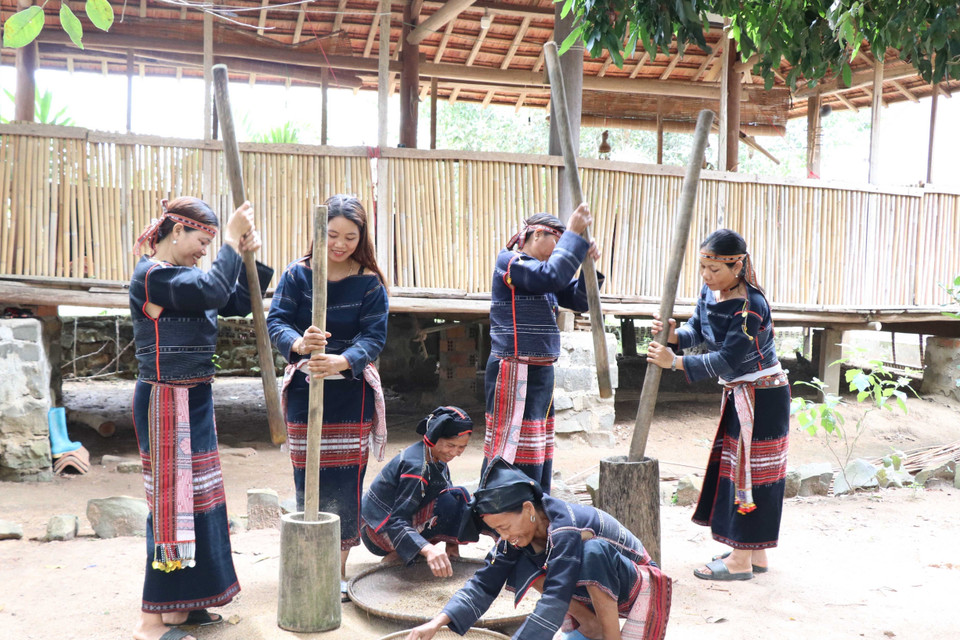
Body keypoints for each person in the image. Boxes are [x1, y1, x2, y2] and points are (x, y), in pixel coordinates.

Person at [129, 197, 272, 640]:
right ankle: (150, 623)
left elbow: (235, 300)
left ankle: (181, 607)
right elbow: (211, 290)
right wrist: (229, 239)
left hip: (194, 398)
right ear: (177, 231)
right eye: (201, 242)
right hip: (166, 400)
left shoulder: (187, 280)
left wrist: (245, 256)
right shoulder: (152, 276)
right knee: (172, 506)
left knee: (197, 502)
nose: (204, 252)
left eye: (211, 245)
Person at [646, 228, 789, 582]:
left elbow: (727, 358)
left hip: (762, 396)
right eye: (703, 268)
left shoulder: (751, 306)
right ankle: (754, 553)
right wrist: (675, 336)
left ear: (737, 266)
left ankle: (740, 561)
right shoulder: (709, 292)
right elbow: (698, 330)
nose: (707, 276)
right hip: (742, 393)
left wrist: (674, 362)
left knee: (750, 474)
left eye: (715, 270)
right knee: (743, 470)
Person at [267, 194, 389, 596]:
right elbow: (277, 321)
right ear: (319, 233)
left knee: (346, 481)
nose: (340, 244)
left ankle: (336, 572)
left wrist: (343, 360)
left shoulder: (369, 282)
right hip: (306, 392)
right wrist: (300, 344)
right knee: (308, 477)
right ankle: (310, 562)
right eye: (332, 235)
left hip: (351, 394)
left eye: (350, 237)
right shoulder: (297, 275)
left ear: (362, 238)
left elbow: (374, 336)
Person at [405, 457, 671, 640]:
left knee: (593, 551)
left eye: (505, 527)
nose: (504, 536)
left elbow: (555, 597)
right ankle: (590, 624)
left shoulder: (565, 526)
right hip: (585, 591)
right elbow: (483, 584)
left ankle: (609, 636)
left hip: (634, 584)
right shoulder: (517, 537)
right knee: (516, 560)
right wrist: (435, 624)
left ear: (528, 509)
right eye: (497, 531)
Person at [484, 205, 602, 492]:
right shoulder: (511, 262)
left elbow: (579, 300)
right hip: (514, 368)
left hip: (540, 371)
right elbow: (551, 276)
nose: (559, 251)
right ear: (537, 234)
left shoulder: (542, 271)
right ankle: (501, 505)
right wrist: (573, 235)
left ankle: (534, 503)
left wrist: (587, 265)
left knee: (535, 446)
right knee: (510, 445)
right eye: (557, 243)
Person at [360, 406, 480, 577]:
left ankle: (450, 554)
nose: (455, 453)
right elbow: (397, 520)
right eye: (451, 445)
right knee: (447, 503)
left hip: (398, 522)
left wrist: (452, 544)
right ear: (434, 438)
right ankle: (398, 555)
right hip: (378, 532)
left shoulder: (436, 457)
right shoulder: (416, 467)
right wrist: (428, 549)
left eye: (462, 447)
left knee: (458, 496)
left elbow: (451, 497)